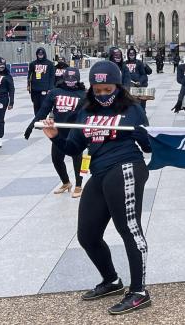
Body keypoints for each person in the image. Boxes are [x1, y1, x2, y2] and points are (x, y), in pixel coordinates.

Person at [41, 60, 154, 315]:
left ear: (118, 86)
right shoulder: (85, 110)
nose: (103, 94)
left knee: (129, 230)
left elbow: (148, 146)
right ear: (91, 88)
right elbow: (73, 148)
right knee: (87, 235)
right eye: (98, 89)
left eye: (108, 89)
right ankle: (111, 280)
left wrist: (142, 135)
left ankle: (139, 292)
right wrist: (55, 137)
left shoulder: (132, 109)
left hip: (126, 166)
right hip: (98, 171)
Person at [27, 67, 87, 196]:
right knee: (56, 159)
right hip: (59, 132)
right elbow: (43, 109)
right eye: (68, 78)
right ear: (64, 78)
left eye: (74, 78)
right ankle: (66, 182)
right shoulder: (55, 92)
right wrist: (32, 125)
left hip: (76, 133)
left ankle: (79, 185)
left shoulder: (84, 94)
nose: (71, 81)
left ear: (78, 79)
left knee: (78, 159)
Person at [28, 47, 54, 114]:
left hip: (45, 89)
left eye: (42, 54)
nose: (40, 55)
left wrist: (50, 88)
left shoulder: (50, 64)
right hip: (35, 89)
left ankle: (43, 119)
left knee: (44, 106)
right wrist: (29, 86)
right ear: (37, 54)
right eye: (39, 54)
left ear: (44, 54)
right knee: (36, 106)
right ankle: (37, 120)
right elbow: (29, 76)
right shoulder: (32, 64)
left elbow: (52, 77)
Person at [0, 57, 14, 149]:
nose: (1, 67)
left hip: (2, 99)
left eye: (3, 65)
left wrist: (11, 102)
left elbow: (11, 89)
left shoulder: (7, 76)